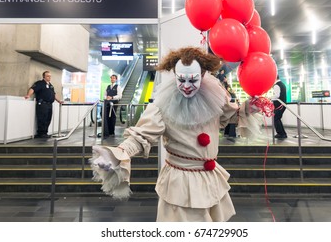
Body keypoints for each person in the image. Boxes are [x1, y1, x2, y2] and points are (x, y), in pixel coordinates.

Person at [89, 47, 261, 222]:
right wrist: (117, 154)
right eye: (182, 79)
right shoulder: (163, 105)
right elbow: (141, 136)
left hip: (209, 178)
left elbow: (230, 116)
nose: (186, 86)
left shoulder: (216, 95)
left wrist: (248, 108)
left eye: (192, 80)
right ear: (175, 75)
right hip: (181, 182)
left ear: (202, 75)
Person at [24, 71, 63, 138]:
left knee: (48, 118)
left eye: (50, 76)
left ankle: (45, 132)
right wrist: (28, 95)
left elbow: (54, 94)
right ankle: (41, 133)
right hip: (42, 104)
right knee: (42, 118)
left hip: (49, 104)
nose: (49, 77)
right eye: (48, 76)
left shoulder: (51, 85)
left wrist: (58, 100)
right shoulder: (40, 83)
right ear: (44, 76)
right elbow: (32, 89)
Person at [272, 75, 287, 139]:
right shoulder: (282, 84)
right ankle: (282, 133)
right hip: (283, 104)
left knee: (276, 119)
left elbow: (276, 96)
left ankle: (281, 134)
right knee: (278, 118)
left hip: (279, 105)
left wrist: (269, 98)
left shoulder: (276, 85)